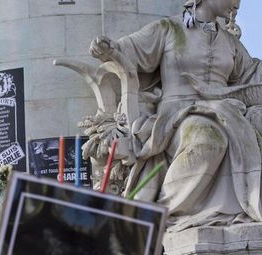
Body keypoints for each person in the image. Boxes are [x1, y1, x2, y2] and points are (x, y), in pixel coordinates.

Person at [90, 0, 262, 231]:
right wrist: (109, 49)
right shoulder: (168, 29)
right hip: (175, 117)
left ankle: (245, 204)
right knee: (207, 138)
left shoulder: (231, 43)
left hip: (224, 112)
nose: (237, 3)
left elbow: (251, 77)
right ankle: (159, 212)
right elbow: (130, 49)